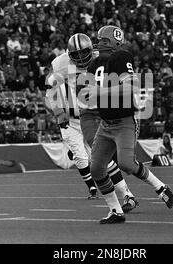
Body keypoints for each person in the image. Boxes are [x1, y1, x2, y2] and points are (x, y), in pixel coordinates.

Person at [84, 25, 173, 224]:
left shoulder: (121, 57)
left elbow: (129, 87)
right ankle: (115, 211)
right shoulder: (94, 64)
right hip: (105, 124)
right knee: (96, 169)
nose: (100, 44)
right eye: (100, 40)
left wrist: (99, 93)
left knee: (126, 163)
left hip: (124, 121)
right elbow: (88, 94)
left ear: (116, 44)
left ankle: (160, 187)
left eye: (105, 41)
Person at [45, 32, 137, 209]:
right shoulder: (60, 63)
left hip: (92, 114)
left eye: (83, 53)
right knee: (86, 157)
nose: (80, 58)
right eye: (76, 54)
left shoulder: (101, 58)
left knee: (100, 156)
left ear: (91, 49)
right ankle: (112, 194)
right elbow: (50, 90)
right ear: (69, 54)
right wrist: (58, 112)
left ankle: (126, 196)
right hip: (70, 119)